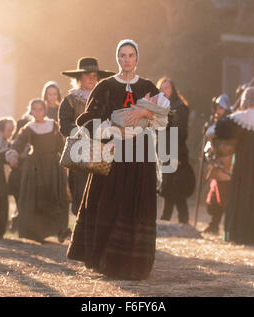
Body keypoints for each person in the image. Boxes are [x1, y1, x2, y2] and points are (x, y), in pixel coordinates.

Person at [67, 39, 165, 280]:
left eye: (131, 55)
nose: (127, 59)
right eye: (122, 55)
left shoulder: (148, 86)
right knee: (110, 203)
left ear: (137, 58)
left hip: (141, 155)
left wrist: (145, 112)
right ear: (117, 58)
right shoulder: (105, 86)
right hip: (113, 154)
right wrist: (112, 129)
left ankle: (135, 264)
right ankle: (106, 261)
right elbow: (86, 121)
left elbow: (167, 118)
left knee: (136, 205)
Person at [215, 87, 254, 245]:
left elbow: (220, 130)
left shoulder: (240, 118)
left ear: (245, 100)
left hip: (246, 163)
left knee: (244, 196)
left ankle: (242, 234)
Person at [6, 99, 70, 244]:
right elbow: (17, 144)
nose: (38, 112)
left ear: (45, 110)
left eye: (41, 109)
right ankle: (37, 233)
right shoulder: (29, 128)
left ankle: (59, 230)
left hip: (53, 166)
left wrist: (67, 161)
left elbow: (62, 145)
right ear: (31, 111)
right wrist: (12, 155)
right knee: (38, 199)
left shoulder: (53, 125)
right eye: (35, 109)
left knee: (56, 197)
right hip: (36, 168)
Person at [59, 57, 114, 216]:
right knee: (81, 194)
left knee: (103, 194)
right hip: (79, 152)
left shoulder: (106, 99)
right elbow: (64, 125)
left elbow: (114, 120)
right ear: (79, 78)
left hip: (103, 152)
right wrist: (83, 132)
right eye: (87, 74)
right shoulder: (70, 100)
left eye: (95, 75)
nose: (92, 78)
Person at [157, 76, 195, 224]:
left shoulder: (179, 107)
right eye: (161, 88)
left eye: (167, 88)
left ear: (172, 90)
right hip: (164, 151)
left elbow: (181, 132)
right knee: (168, 186)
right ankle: (175, 219)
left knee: (176, 186)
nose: (164, 91)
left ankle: (175, 218)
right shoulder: (159, 107)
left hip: (176, 151)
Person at [202, 94, 233, 234]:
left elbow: (229, 144)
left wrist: (219, 152)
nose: (218, 110)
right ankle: (214, 225)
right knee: (214, 199)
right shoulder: (214, 122)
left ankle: (228, 227)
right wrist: (207, 152)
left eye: (221, 108)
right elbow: (210, 142)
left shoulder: (230, 124)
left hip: (225, 163)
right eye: (217, 107)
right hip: (215, 164)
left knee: (224, 198)